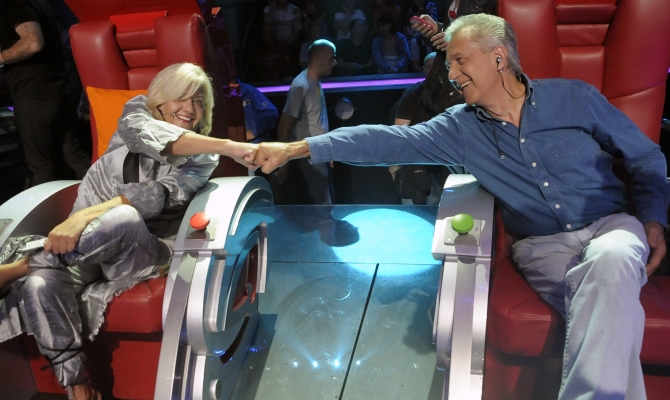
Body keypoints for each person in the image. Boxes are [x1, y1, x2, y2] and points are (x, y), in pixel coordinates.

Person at [251, 14, 669, 400]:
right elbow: (384, 142)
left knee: (612, 258)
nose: (451, 74)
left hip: (612, 226)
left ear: (499, 58)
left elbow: (645, 157)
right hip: (544, 246)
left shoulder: (574, 98)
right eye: (449, 64)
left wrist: (653, 217)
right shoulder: (458, 128)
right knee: (608, 297)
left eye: (459, 61)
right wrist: (296, 148)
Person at [0, 63, 258, 400]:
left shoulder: (203, 156)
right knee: (40, 283)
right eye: (181, 97)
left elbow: (159, 195)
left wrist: (86, 215)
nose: (190, 109)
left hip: (142, 250)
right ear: (159, 100)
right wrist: (83, 218)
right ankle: (77, 384)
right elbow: (149, 138)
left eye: (199, 102)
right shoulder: (135, 115)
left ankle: (24, 264)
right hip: (86, 248)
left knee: (123, 216)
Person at [0, 0, 91, 186]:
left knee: (40, 165)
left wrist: (1, 57)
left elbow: (32, 42)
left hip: (33, 94)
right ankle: (105, 195)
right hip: (57, 90)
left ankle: (47, 207)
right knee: (73, 155)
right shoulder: (39, 3)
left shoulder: (14, 4)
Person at [390, 51, 463, 204]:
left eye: (438, 66)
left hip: (446, 164)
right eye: (429, 66)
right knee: (416, 211)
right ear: (423, 69)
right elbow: (398, 132)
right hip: (417, 166)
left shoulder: (457, 94)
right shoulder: (413, 94)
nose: (434, 70)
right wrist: (395, 167)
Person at [275, 39, 336, 205]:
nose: (334, 63)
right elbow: (284, 126)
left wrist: (328, 150)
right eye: (331, 58)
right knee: (322, 208)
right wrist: (283, 163)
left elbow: (318, 121)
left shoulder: (314, 81)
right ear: (316, 59)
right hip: (310, 158)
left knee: (325, 206)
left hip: (320, 154)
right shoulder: (300, 86)